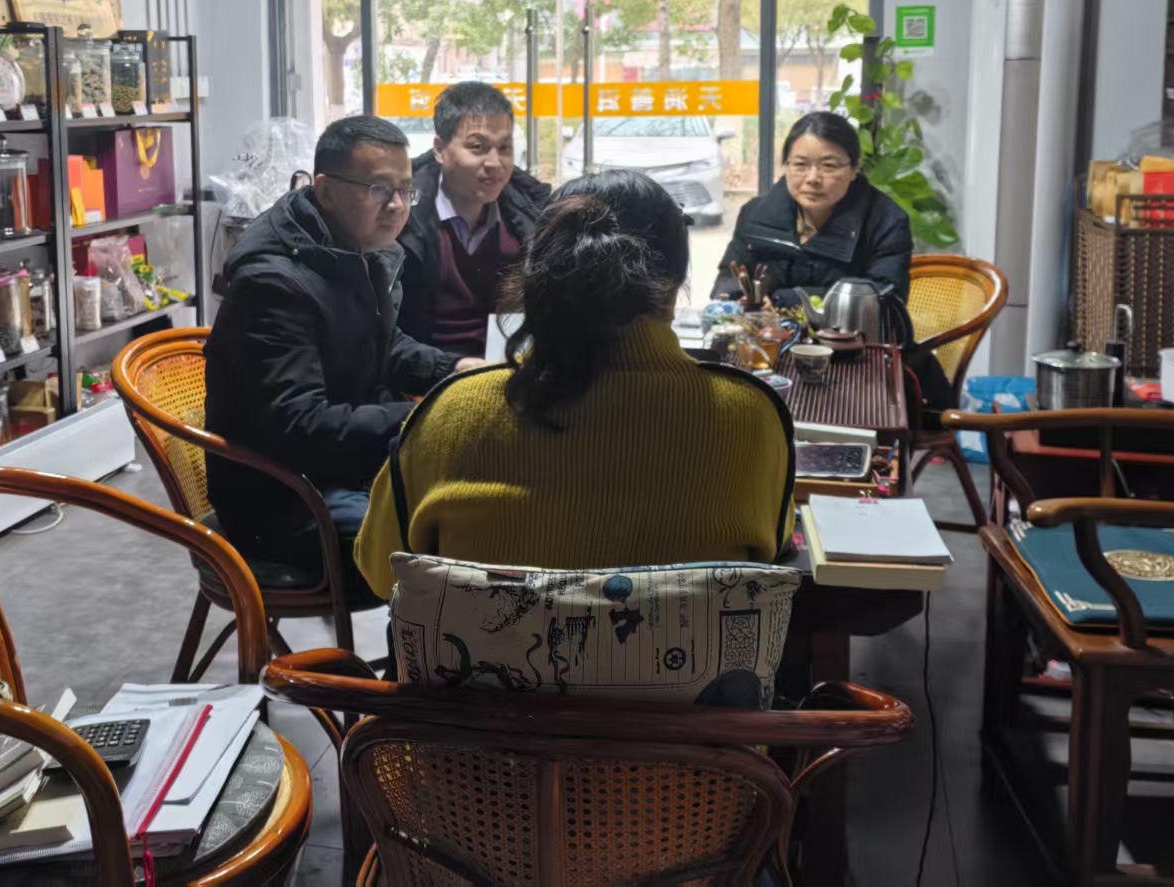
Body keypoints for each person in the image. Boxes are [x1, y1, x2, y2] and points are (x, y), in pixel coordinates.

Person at [355, 169, 796, 595]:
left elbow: (380, 571)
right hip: (690, 652)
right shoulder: (750, 416)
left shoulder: (450, 414)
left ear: (539, 272)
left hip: (476, 652)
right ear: (678, 278)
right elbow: (770, 549)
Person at [204, 115, 480, 598]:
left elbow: (380, 343)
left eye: (405, 190)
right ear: (327, 191)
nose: (397, 206)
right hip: (284, 499)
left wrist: (454, 371)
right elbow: (301, 425)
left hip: (338, 469)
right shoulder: (274, 284)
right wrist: (425, 416)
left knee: (476, 503)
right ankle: (426, 647)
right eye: (379, 190)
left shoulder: (349, 248)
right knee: (445, 537)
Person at [397, 82, 551, 357]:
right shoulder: (398, 213)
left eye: (504, 147)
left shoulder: (532, 212)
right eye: (477, 147)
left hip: (509, 368)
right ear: (439, 149)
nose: (495, 163)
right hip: (422, 371)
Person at [713, 111, 912, 308]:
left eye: (829, 166)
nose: (813, 178)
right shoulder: (755, 214)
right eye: (801, 165)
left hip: (849, 329)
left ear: (854, 169)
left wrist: (782, 300)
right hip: (761, 328)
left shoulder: (886, 222)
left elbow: (886, 298)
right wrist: (744, 298)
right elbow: (727, 280)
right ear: (786, 166)